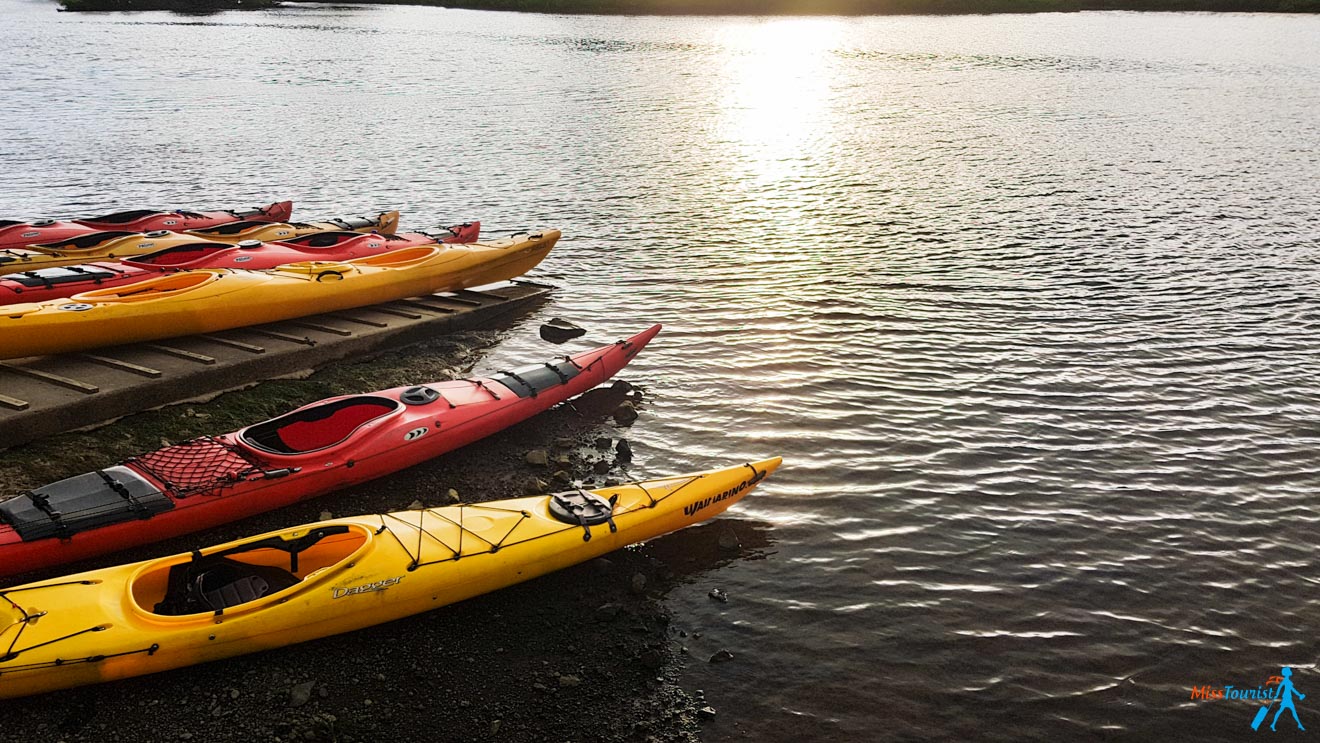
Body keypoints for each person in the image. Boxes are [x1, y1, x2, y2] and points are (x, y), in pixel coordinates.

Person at [1272, 667, 1306, 731]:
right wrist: (1276, 695)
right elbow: (1280, 687)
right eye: (1289, 670)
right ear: (1287, 673)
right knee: (1284, 711)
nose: (1291, 671)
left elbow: (1292, 689)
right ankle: (1273, 724)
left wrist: (1299, 695)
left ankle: (1273, 724)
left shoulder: (1288, 681)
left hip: (1288, 698)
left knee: (1285, 711)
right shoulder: (1285, 680)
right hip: (1286, 698)